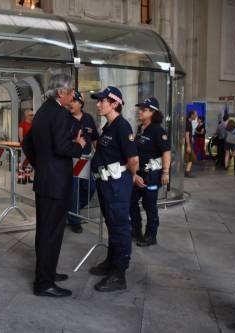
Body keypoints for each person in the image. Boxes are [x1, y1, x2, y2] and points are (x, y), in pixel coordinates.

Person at [22, 74, 85, 298]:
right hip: (56, 183)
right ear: (61, 93)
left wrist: (41, 164)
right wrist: (78, 146)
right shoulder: (58, 113)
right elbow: (61, 147)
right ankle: (44, 283)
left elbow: (26, 143)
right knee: (52, 233)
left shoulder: (43, 111)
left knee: (45, 231)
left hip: (45, 180)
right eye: (71, 92)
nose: (73, 96)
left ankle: (47, 273)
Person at [89, 86, 139, 292]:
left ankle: (119, 274)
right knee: (112, 225)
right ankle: (111, 262)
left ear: (115, 103)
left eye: (103, 101)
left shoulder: (122, 126)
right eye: (98, 100)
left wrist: (132, 176)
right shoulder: (108, 127)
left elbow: (133, 159)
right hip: (106, 183)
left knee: (119, 227)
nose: (98, 104)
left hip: (117, 184)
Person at [129, 97, 171, 247]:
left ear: (153, 112)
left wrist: (165, 172)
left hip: (152, 175)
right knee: (131, 202)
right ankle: (136, 231)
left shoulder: (158, 130)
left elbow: (166, 152)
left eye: (144, 109)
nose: (140, 111)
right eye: (140, 109)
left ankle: (151, 235)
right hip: (138, 173)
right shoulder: (141, 129)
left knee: (149, 205)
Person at [67, 91, 98, 234]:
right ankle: (75, 220)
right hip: (72, 160)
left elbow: (95, 139)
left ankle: (73, 210)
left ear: (80, 103)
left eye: (74, 101)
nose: (71, 104)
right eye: (70, 101)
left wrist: (99, 156)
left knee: (90, 188)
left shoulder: (89, 119)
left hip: (86, 160)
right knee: (74, 190)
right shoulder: (65, 119)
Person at [184, 111, 197, 177]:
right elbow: (186, 134)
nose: (196, 116)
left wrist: (191, 138)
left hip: (188, 142)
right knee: (192, 157)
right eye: (195, 115)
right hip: (187, 143)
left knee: (190, 157)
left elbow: (188, 133)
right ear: (192, 115)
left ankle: (187, 171)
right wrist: (188, 145)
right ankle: (187, 172)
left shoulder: (188, 122)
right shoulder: (188, 123)